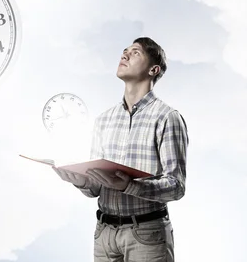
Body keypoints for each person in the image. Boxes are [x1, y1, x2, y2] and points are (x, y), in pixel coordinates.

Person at [53, 37, 189, 262]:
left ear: (153, 70)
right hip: (103, 234)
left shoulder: (167, 118)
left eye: (135, 52)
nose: (124, 55)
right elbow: (95, 189)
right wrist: (80, 181)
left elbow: (176, 187)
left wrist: (129, 185)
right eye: (124, 51)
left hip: (147, 234)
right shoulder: (103, 120)